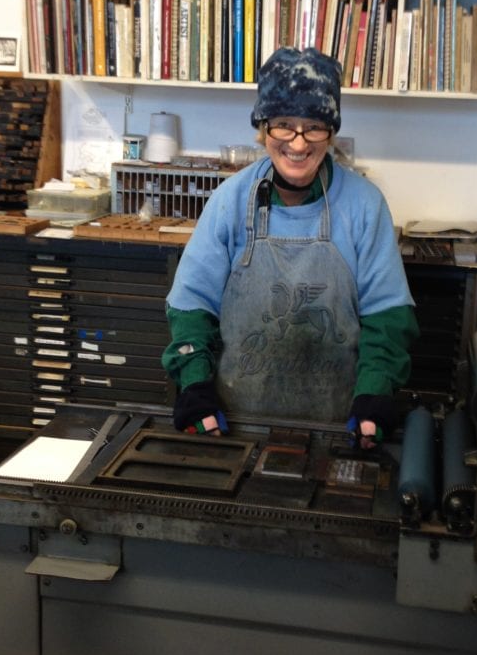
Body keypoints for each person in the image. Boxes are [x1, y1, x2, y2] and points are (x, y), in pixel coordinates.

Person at [162, 46, 419, 447]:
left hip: (337, 429)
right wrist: (194, 384)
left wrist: (374, 392)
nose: (298, 144)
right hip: (237, 426)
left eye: (314, 126)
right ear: (264, 129)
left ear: (330, 132)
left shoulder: (365, 206)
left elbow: (387, 318)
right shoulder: (230, 200)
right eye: (283, 124)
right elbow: (192, 306)